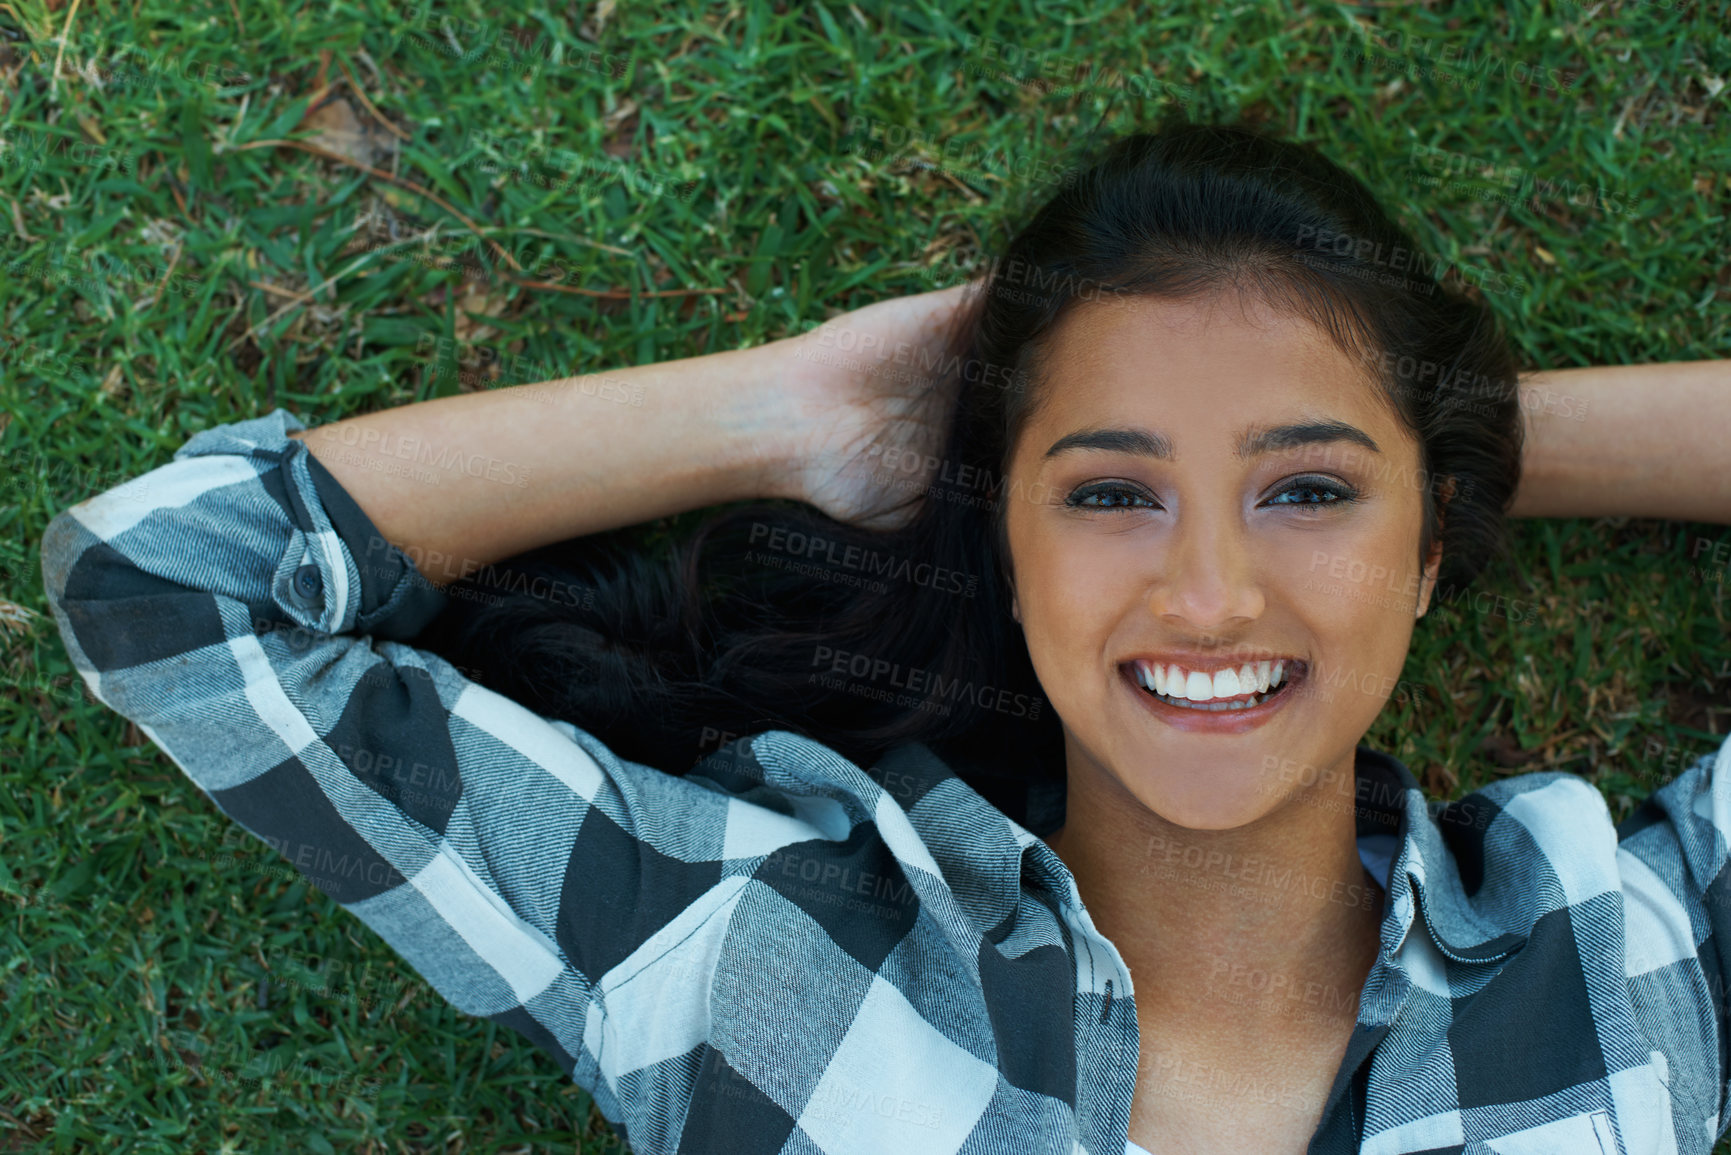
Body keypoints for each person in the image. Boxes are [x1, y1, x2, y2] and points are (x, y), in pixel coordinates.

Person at [39, 122, 1731, 1155]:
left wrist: (1453, 438)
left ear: (1432, 554)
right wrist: (789, 414)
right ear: (1002, 543)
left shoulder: (1628, 956)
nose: (1211, 594)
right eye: (1109, 495)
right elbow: (174, 582)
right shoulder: (759, 966)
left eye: (1306, 499)